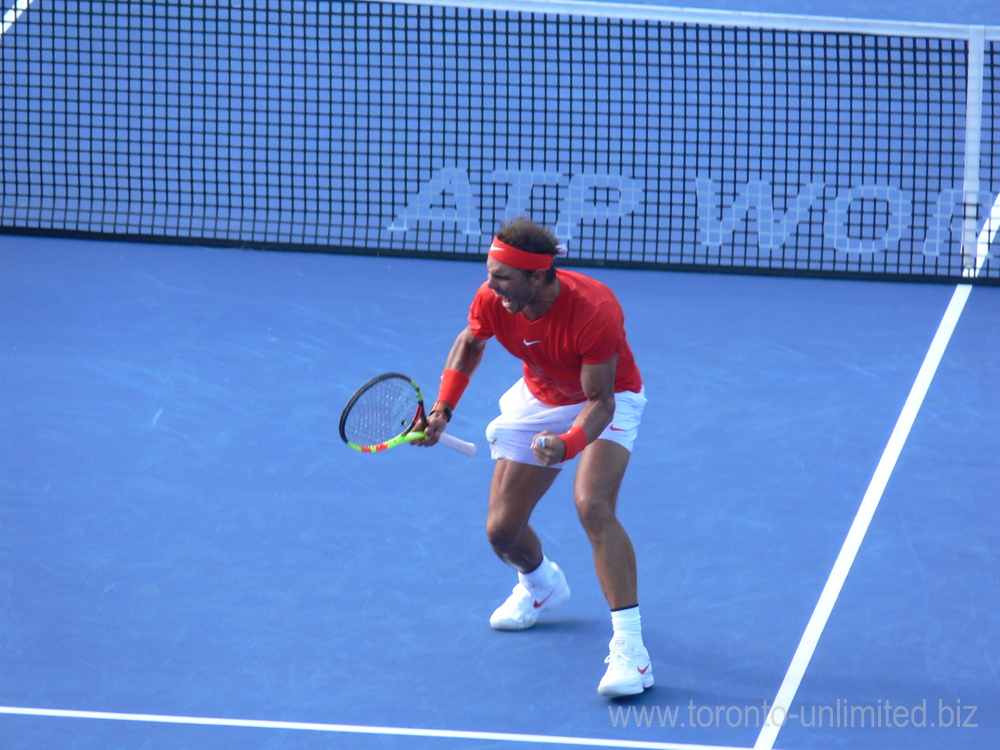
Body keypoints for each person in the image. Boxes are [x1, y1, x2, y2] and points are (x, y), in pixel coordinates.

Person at [415, 216, 652, 697]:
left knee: (592, 505)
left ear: (539, 276)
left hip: (605, 398)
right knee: (502, 532)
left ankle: (632, 652)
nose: (490, 286)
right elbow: (470, 343)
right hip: (540, 395)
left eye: (503, 278)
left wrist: (566, 444)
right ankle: (543, 586)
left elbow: (600, 402)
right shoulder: (493, 297)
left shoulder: (594, 309)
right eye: (489, 273)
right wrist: (442, 409)